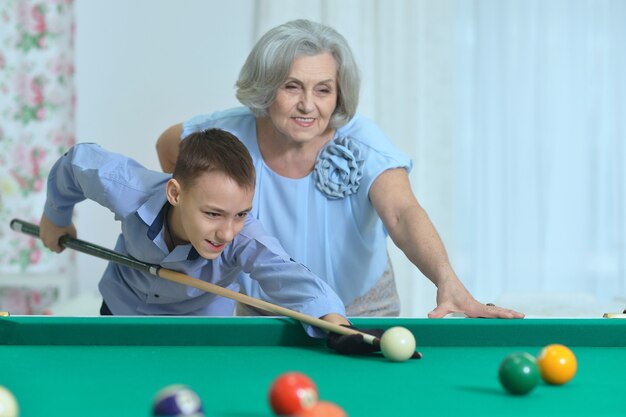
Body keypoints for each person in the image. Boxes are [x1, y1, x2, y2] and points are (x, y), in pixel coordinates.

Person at [155, 19, 524, 319]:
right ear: (267, 87)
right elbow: (167, 147)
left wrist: (446, 279)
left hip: (361, 308)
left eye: (323, 90)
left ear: (339, 93)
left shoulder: (363, 142)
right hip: (261, 310)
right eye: (292, 86)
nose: (307, 106)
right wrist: (195, 221)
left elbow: (402, 213)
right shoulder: (226, 133)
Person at [39, 128, 358, 344]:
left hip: (200, 333)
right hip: (119, 314)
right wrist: (56, 218)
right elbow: (75, 163)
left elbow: (287, 274)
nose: (227, 231)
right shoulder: (127, 188)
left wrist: (334, 322)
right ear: (175, 194)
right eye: (213, 214)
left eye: (241, 214)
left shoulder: (242, 238)